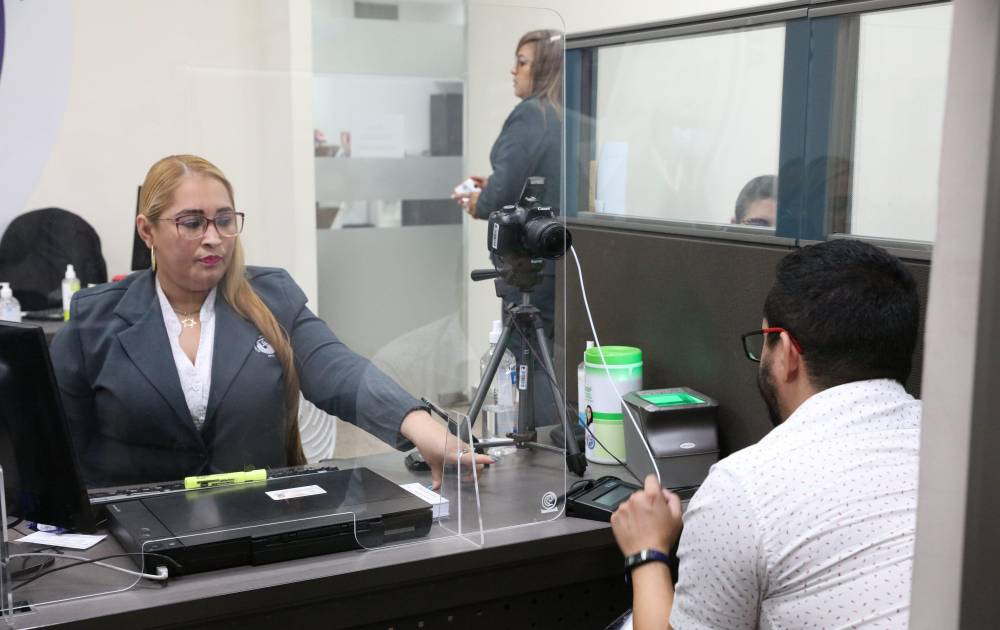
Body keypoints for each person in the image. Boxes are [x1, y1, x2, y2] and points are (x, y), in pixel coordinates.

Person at [50, 154, 491, 488]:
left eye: (224, 220)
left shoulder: (272, 297)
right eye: (192, 223)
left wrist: (421, 427)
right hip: (138, 542)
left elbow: (335, 368)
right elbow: (55, 446)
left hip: (257, 522)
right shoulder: (95, 321)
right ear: (147, 231)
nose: (213, 238)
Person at [610, 238, 921, 629]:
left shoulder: (744, 489)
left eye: (764, 340)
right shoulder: (970, 455)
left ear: (786, 351)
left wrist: (646, 550)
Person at [453, 29, 563, 425]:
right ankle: (546, 434)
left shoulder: (532, 113)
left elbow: (505, 191)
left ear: (544, 68)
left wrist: (480, 201)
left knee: (527, 355)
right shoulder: (562, 116)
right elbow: (532, 181)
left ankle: (532, 438)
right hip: (555, 257)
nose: (513, 71)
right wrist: (493, 187)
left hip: (527, 260)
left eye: (522, 62)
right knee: (549, 355)